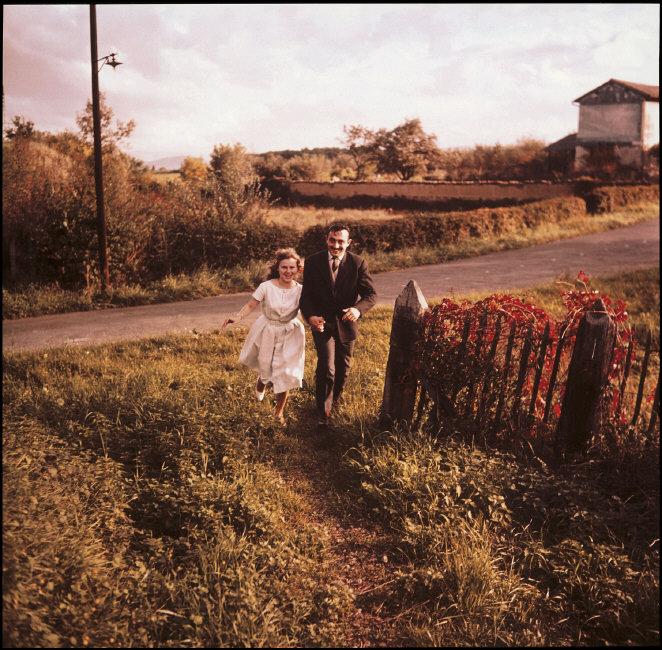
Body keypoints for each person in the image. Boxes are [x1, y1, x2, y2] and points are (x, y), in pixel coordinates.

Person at [299, 223, 377, 425]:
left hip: (346, 324)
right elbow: (306, 296)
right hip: (322, 323)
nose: (336, 246)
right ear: (327, 239)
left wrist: (357, 309)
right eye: (332, 240)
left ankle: (335, 401)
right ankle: (322, 413)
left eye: (341, 241)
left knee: (343, 367)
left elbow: (370, 295)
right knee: (326, 366)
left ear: (348, 243)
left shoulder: (358, 263)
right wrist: (310, 317)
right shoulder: (314, 262)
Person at [221, 248, 305, 425]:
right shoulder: (266, 286)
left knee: (286, 374)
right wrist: (237, 317)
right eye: (284, 267)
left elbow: (308, 311)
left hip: (291, 333)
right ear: (277, 268)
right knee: (266, 368)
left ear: (298, 269)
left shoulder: (301, 290)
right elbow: (251, 305)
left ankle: (278, 413)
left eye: (292, 267)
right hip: (268, 329)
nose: (288, 271)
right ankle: (261, 383)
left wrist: (317, 322)